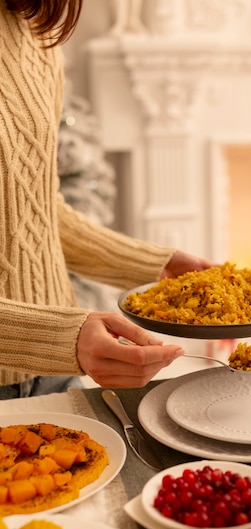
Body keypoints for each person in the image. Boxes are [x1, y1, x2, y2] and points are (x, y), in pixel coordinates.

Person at [0, 0, 211, 397]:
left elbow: (35, 209)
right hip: (57, 347)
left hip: (54, 374)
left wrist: (157, 268)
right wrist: (61, 338)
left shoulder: (35, 34)